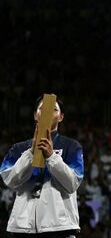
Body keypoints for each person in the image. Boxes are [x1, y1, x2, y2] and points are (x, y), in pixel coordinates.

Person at [1, 97, 84, 237]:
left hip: (59, 227)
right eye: (42, 109)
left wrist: (52, 156)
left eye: (54, 109)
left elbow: (72, 183)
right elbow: (10, 180)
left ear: (61, 117)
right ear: (35, 115)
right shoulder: (18, 148)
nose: (47, 113)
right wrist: (30, 153)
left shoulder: (71, 146)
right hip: (23, 227)